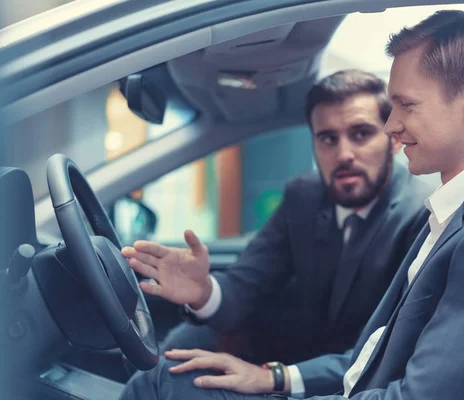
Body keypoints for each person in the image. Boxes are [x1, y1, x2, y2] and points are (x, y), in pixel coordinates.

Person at [121, 69, 434, 397]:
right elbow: (245, 285)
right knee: (167, 368)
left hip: (360, 385)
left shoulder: (420, 216)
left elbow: (391, 351)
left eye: (361, 134)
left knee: (163, 383)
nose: (344, 154)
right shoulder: (305, 196)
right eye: (328, 139)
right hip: (291, 361)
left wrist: (276, 377)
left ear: (394, 139)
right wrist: (202, 291)